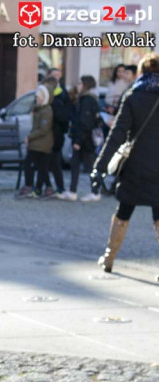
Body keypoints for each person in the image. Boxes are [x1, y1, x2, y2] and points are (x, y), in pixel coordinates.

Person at [92, 52, 159, 273]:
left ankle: (109, 258)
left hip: (135, 167)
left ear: (141, 72)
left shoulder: (133, 96)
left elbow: (116, 135)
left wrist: (99, 168)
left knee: (123, 212)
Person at [69, 75, 101, 202]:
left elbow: (84, 122)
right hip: (84, 138)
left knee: (89, 166)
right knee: (76, 164)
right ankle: (73, 191)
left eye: (79, 83)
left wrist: (78, 140)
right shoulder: (86, 99)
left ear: (85, 85)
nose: (77, 86)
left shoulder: (87, 100)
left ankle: (95, 192)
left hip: (85, 139)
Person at [20, 85, 55, 199]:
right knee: (41, 167)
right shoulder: (39, 109)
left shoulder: (46, 111)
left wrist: (29, 137)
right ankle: (48, 187)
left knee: (30, 164)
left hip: (41, 143)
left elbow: (43, 129)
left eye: (38, 97)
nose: (37, 99)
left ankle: (29, 186)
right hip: (38, 143)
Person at [44, 72, 75, 200]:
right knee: (50, 162)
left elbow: (61, 117)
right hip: (56, 135)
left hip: (54, 135)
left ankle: (52, 187)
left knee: (50, 162)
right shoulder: (60, 97)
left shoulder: (56, 100)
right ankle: (52, 187)